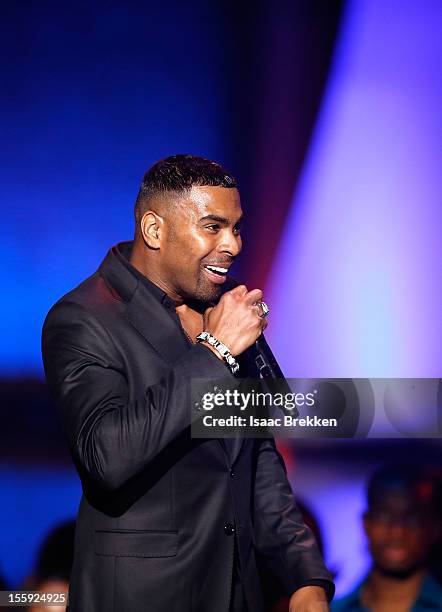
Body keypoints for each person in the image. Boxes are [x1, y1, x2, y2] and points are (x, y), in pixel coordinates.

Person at [42, 154, 334, 611]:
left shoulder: (220, 308)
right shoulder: (84, 318)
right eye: (213, 227)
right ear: (155, 230)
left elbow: (256, 460)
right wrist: (215, 352)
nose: (233, 245)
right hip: (143, 597)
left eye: (236, 228)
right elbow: (107, 457)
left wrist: (304, 576)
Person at [332, 465, 442, 612]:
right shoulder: (332, 609)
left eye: (412, 519)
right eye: (383, 517)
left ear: (433, 529)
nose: (398, 533)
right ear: (366, 524)